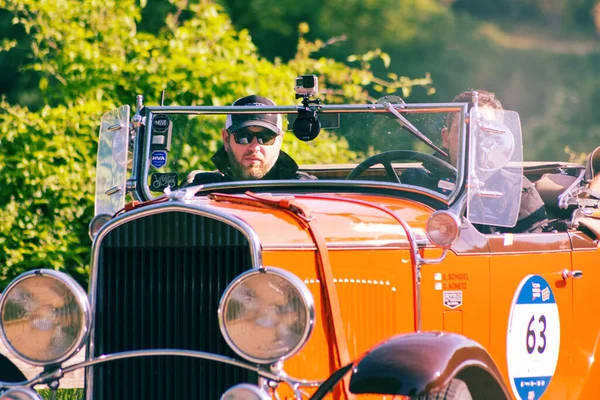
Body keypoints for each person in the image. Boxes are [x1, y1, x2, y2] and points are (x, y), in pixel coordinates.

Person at [403, 89, 548, 233]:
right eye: (463, 130)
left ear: (497, 139)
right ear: (445, 138)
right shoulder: (413, 182)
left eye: (485, 131)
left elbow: (529, 249)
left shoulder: (517, 192)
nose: (474, 140)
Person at [184, 95, 315, 186]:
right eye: (243, 136)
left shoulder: (304, 190)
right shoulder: (201, 191)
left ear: (280, 140)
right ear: (225, 139)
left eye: (266, 138)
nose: (254, 147)